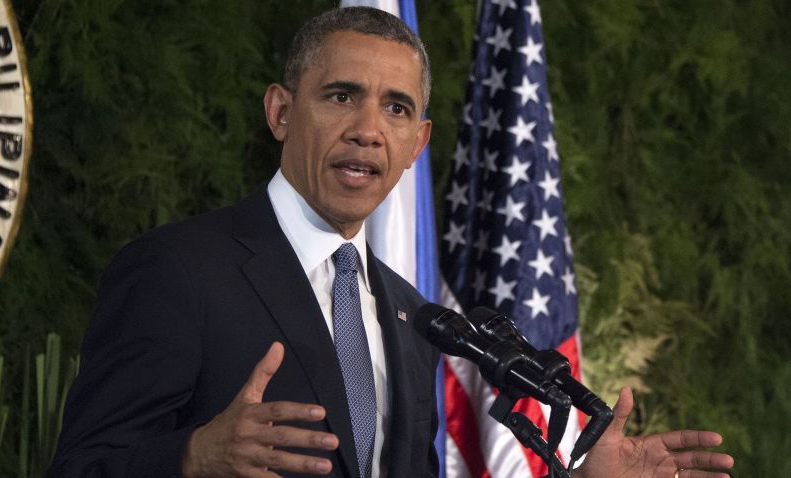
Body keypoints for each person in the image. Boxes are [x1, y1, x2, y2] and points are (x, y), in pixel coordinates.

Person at [48, 6, 734, 478]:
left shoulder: (415, 317)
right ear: (281, 112)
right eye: (342, 95)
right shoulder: (179, 270)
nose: (368, 129)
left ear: (417, 143)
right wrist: (192, 458)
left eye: (397, 108)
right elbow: (79, 468)